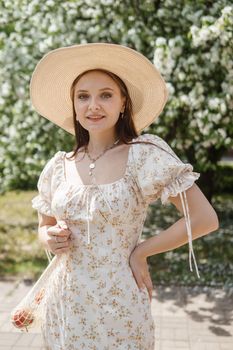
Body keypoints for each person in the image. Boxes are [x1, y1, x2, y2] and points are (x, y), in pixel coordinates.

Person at [30, 43, 219, 350]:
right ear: (74, 106)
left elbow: (204, 218)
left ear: (122, 104)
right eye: (83, 96)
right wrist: (49, 237)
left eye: (105, 94)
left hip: (120, 304)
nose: (93, 105)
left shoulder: (144, 155)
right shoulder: (58, 166)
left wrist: (141, 252)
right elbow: (43, 225)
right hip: (65, 303)